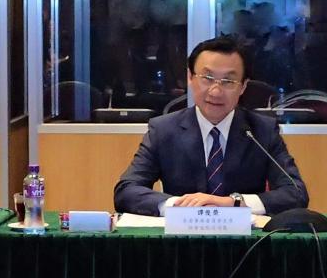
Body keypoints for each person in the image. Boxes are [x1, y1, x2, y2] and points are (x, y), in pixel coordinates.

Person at [113, 36, 309, 216]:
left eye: (228, 81)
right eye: (207, 78)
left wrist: (233, 202)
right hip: (182, 238)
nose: (215, 91)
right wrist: (178, 205)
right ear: (190, 78)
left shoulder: (261, 131)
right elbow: (126, 190)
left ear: (243, 86)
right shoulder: (164, 130)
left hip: (245, 239)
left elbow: (296, 193)